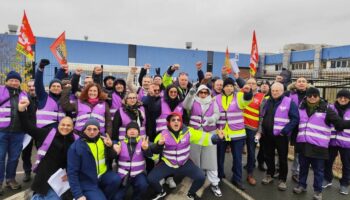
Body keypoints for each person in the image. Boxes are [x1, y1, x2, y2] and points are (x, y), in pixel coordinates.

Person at [148, 112, 224, 200]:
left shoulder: (188, 131)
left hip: (185, 164)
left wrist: (217, 138)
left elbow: (203, 137)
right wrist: (156, 146)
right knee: (151, 178)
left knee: (201, 177)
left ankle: (191, 194)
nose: (176, 122)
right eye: (173, 120)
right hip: (168, 164)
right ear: (169, 123)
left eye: (178, 120)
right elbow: (154, 154)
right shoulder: (162, 135)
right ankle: (160, 192)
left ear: (181, 122)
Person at [293, 87, 350, 200]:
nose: (312, 97)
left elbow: (339, 124)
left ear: (319, 96)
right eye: (310, 95)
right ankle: (301, 185)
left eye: (315, 95)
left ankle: (318, 191)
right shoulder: (301, 108)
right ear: (306, 96)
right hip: (303, 144)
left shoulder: (327, 109)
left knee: (318, 171)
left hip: (319, 146)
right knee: (303, 168)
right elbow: (294, 124)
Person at [18, 98, 78, 200]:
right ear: (58, 125)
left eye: (68, 125)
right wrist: (22, 111)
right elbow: (28, 128)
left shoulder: (76, 140)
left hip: (61, 180)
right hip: (44, 176)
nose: (65, 127)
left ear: (73, 128)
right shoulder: (48, 133)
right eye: (63, 124)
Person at [258, 82, 299, 191]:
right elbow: (262, 116)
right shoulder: (267, 101)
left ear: (282, 91)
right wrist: (261, 131)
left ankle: (282, 179)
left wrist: (284, 131)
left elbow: (295, 119)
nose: (275, 92)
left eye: (277, 91)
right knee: (268, 156)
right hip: (267, 135)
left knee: (282, 158)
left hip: (281, 136)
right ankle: (269, 174)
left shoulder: (289, 102)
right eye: (273, 90)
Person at [67, 118, 121, 200]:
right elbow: (72, 173)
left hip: (102, 176)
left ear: (99, 131)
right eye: (89, 129)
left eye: (95, 129)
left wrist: (110, 146)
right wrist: (78, 195)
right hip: (87, 182)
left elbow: (111, 156)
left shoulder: (103, 141)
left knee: (115, 179)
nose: (92, 132)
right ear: (84, 130)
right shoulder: (75, 147)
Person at [183, 85, 222, 197]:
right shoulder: (193, 101)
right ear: (198, 93)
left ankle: (214, 183)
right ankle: (197, 177)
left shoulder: (213, 102)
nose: (203, 94)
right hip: (195, 134)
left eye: (205, 92)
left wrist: (211, 119)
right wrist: (190, 95)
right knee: (195, 157)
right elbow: (186, 105)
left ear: (208, 93)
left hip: (210, 133)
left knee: (211, 159)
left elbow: (217, 114)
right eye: (201, 92)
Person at [216, 77, 253, 190]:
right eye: (227, 86)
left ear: (234, 87)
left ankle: (237, 179)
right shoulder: (216, 98)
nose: (229, 88)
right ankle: (219, 175)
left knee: (237, 158)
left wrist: (248, 91)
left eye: (231, 86)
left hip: (237, 134)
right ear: (223, 87)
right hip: (221, 133)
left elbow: (248, 98)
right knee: (219, 157)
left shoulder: (239, 96)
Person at [0, 71, 27, 195]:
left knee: (14, 158)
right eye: (12, 80)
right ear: (7, 81)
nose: (14, 82)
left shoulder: (23, 94)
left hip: (18, 132)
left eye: (17, 80)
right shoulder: (1, 90)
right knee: (0, 158)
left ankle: (10, 179)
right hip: (2, 131)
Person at [114, 122, 151, 200]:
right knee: (117, 197)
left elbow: (150, 155)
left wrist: (147, 149)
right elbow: (113, 155)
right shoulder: (120, 143)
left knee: (143, 185)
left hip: (138, 174)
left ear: (138, 132)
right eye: (130, 129)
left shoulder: (143, 143)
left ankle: (136, 197)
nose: (132, 131)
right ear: (126, 132)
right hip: (123, 175)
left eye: (134, 129)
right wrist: (113, 149)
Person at [323, 89, 350, 195]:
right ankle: (327, 179)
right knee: (328, 162)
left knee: (347, 165)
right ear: (337, 98)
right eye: (340, 97)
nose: (342, 99)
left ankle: (344, 184)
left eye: (345, 97)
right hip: (332, 140)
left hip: (347, 143)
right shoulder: (330, 108)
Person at [285, 77, 309, 183]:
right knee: (282, 148)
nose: (301, 83)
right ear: (295, 84)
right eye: (299, 81)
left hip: (302, 127)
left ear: (307, 84)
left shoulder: (311, 95)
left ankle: (295, 172)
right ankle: (278, 168)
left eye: (303, 81)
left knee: (298, 152)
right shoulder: (288, 94)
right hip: (289, 124)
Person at [243, 78, 265, 185]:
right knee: (237, 152)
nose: (251, 85)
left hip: (253, 130)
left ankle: (250, 174)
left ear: (257, 85)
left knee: (251, 152)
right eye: (249, 83)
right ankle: (236, 172)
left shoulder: (262, 97)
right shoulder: (241, 93)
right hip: (239, 128)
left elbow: (262, 116)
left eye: (253, 83)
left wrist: (259, 131)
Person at [35, 59, 66, 128]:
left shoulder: (64, 100)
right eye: (53, 86)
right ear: (49, 88)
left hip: (59, 134)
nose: (56, 88)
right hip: (44, 134)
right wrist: (41, 68)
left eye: (58, 86)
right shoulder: (43, 97)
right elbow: (38, 83)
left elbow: (56, 79)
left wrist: (61, 70)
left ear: (61, 89)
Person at [21, 79, 38, 183]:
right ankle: (27, 172)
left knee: (42, 151)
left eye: (34, 86)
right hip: (27, 130)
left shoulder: (43, 98)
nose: (32, 88)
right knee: (26, 153)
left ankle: (40, 172)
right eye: (29, 86)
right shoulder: (23, 98)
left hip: (40, 129)